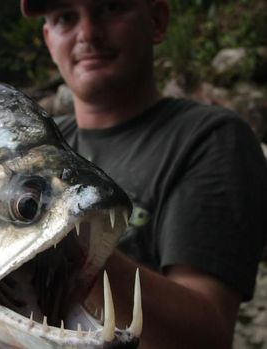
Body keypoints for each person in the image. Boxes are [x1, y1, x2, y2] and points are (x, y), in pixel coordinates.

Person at [21, 0, 267, 348]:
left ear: (157, 20)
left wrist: (66, 239)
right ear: (49, 40)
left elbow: (207, 337)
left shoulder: (210, 139)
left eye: (111, 8)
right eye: (66, 18)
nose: (88, 34)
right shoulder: (29, 148)